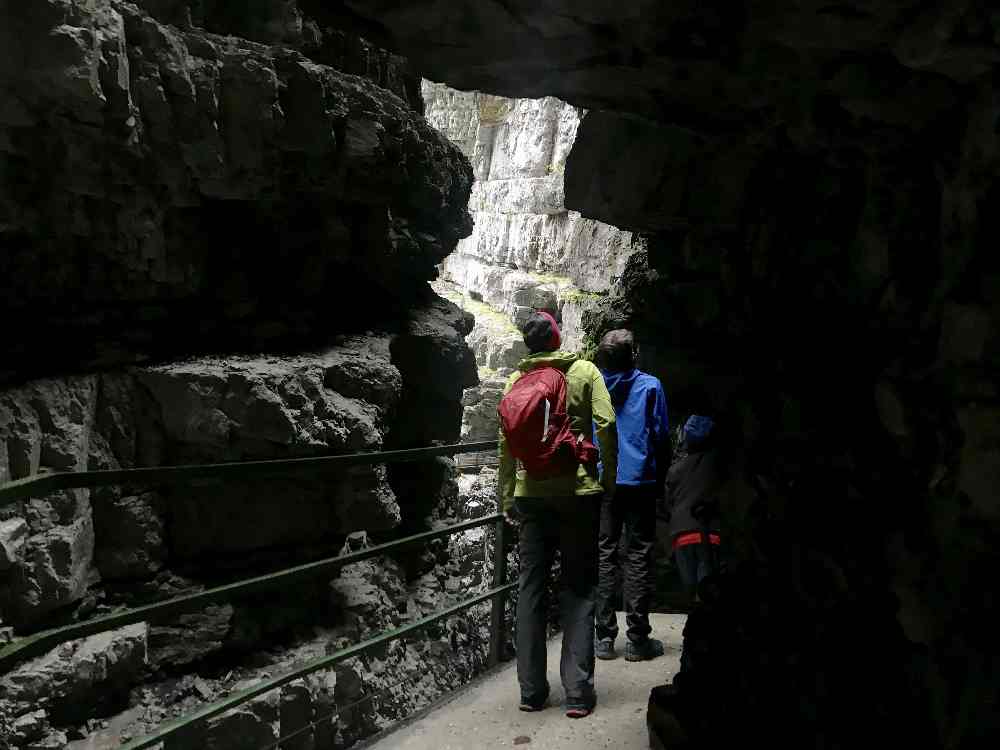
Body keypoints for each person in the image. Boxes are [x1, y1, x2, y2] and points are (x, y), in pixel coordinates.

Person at [498, 310, 618, 719]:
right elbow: (606, 421)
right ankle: (578, 692)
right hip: (578, 493)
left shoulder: (516, 382)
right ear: (557, 337)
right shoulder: (582, 371)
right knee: (579, 588)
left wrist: (507, 495)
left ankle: (531, 691)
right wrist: (609, 477)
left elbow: (506, 444)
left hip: (531, 496)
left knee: (530, 589)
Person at [593, 329, 670, 662]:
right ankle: (637, 640)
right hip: (640, 480)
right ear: (633, 355)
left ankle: (604, 638)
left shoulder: (594, 386)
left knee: (605, 553)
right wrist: (661, 479)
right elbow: (661, 437)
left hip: (605, 480)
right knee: (638, 553)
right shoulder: (650, 386)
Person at [664, 415, 724, 600]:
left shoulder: (675, 470)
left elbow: (668, 502)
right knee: (708, 590)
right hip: (712, 533)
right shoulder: (719, 464)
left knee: (691, 590)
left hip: (682, 535)